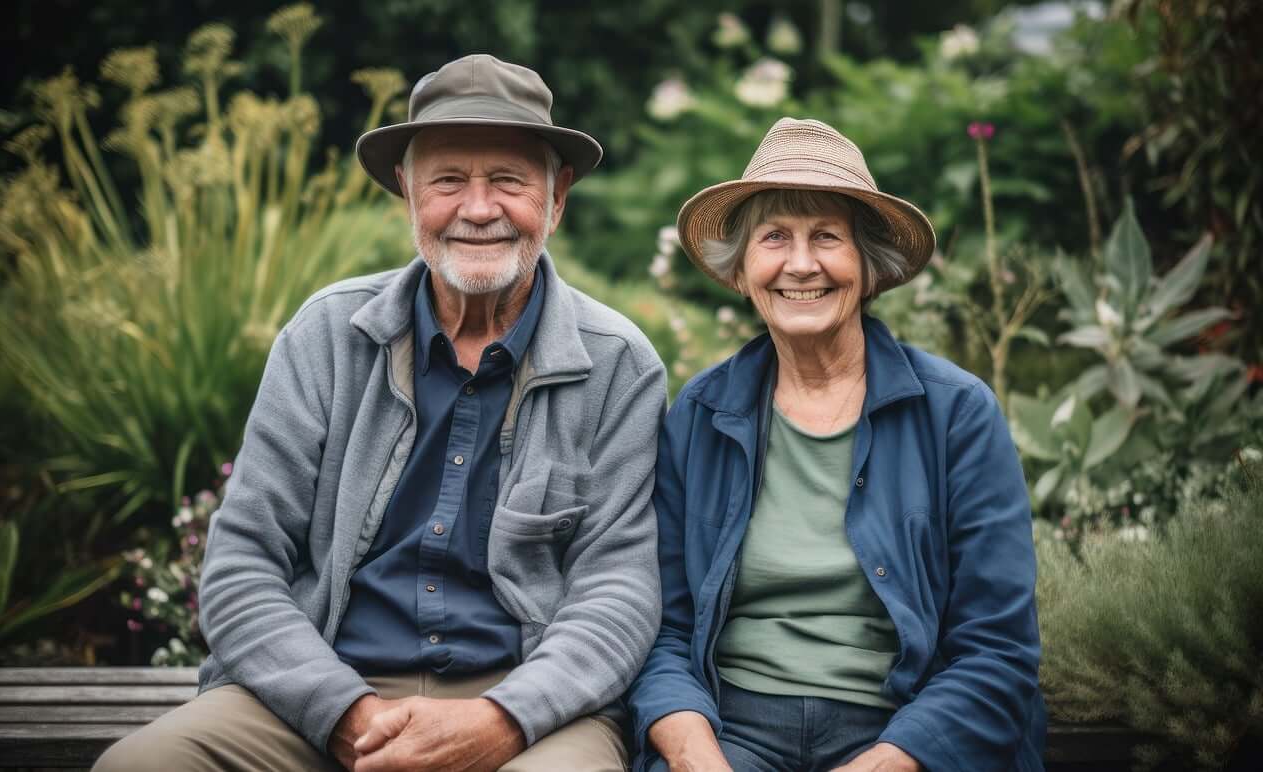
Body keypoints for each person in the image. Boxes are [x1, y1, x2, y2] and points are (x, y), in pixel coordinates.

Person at [95, 54, 667, 772]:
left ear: (556, 200)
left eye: (510, 182)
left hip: (528, 701)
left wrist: (501, 721)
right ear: (407, 191)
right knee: (140, 766)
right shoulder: (326, 335)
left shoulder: (618, 363)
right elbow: (241, 565)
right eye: (449, 180)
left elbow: (620, 591)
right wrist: (347, 715)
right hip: (323, 682)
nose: (479, 208)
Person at [626, 118, 1045, 772]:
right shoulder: (700, 415)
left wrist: (891, 760)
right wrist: (695, 754)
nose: (800, 264)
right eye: (774, 238)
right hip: (731, 725)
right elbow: (664, 632)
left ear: (869, 267)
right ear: (740, 271)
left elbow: (996, 649)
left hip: (901, 728)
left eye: (826, 236)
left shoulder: (957, 414)